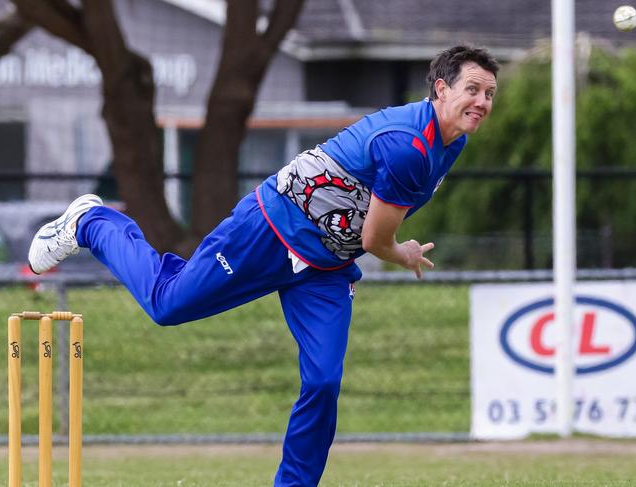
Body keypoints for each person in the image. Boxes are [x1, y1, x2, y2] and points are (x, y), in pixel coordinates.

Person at [28, 45, 498, 487]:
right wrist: (405, 253)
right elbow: (377, 239)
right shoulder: (409, 146)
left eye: (490, 93)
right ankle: (92, 222)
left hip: (326, 265)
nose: (481, 101)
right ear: (440, 89)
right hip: (272, 229)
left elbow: (367, 224)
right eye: (472, 89)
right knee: (167, 305)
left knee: (323, 381)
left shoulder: (450, 143)